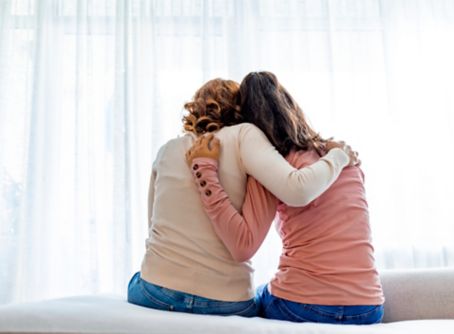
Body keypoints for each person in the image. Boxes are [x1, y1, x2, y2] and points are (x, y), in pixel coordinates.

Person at [127, 78, 352, 317]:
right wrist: (339, 155)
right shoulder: (246, 135)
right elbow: (296, 189)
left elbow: (153, 227)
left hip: (156, 292)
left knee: (137, 279)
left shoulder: (167, 149)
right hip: (226, 300)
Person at [186, 71, 385, 324]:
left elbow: (243, 245)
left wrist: (206, 172)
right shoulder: (345, 159)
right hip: (368, 306)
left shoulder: (271, 167)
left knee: (253, 298)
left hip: (302, 304)